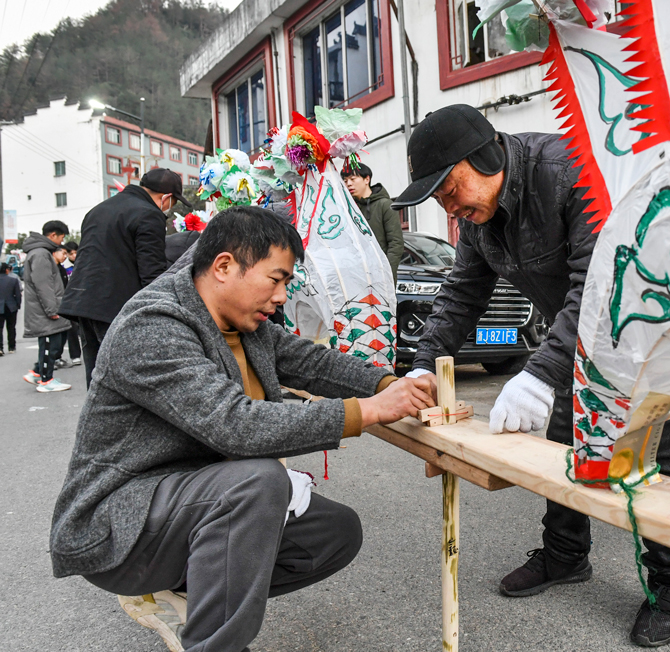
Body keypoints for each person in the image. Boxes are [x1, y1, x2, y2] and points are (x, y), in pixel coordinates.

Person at [49, 206, 436, 652]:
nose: (282, 296)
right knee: (257, 482)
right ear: (224, 266)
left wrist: (390, 385)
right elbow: (235, 425)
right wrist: (367, 412)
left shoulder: (243, 322)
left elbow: (312, 362)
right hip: (123, 525)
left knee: (333, 531)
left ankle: (188, 595)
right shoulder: (152, 325)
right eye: (276, 279)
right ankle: (214, 643)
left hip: (188, 505)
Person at [392, 104, 670, 647]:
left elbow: (601, 283)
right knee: (561, 447)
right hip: (577, 340)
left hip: (650, 331)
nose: (450, 207)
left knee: (654, 462)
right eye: (439, 200)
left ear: (485, 157)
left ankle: (669, 583)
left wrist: (539, 373)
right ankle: (564, 556)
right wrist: (420, 367)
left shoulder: (571, 171)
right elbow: (461, 295)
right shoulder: (478, 221)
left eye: (451, 189)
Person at [60, 168, 191, 388]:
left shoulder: (98, 209)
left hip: (83, 303)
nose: (170, 208)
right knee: (122, 377)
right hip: (115, 306)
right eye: (174, 202)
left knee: (96, 376)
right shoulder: (149, 214)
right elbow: (152, 274)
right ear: (166, 197)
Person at [21, 221, 73, 392]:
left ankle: (38, 373)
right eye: (61, 238)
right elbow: (43, 285)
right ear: (53, 235)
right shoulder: (41, 254)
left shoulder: (39, 252)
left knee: (51, 344)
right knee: (51, 345)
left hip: (43, 308)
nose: (61, 242)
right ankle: (46, 381)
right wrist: (52, 310)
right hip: (45, 310)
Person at [342, 161, 404, 281]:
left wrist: (386, 274)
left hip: (381, 277)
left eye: (353, 179)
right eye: (345, 181)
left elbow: (396, 243)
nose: (348, 184)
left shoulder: (385, 205)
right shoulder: (349, 209)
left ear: (367, 179)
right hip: (356, 277)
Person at [55, 243, 82, 368]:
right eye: (71, 253)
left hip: (80, 299)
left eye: (76, 252)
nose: (74, 256)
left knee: (75, 329)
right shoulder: (63, 267)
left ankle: (75, 355)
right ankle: (58, 356)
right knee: (67, 329)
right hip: (67, 300)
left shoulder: (81, 265)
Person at [0, 262, 21, 355]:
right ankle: (12, 347)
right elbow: (18, 294)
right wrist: (18, 305)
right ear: (7, 270)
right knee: (11, 327)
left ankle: (0, 348)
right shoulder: (13, 280)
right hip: (11, 307)